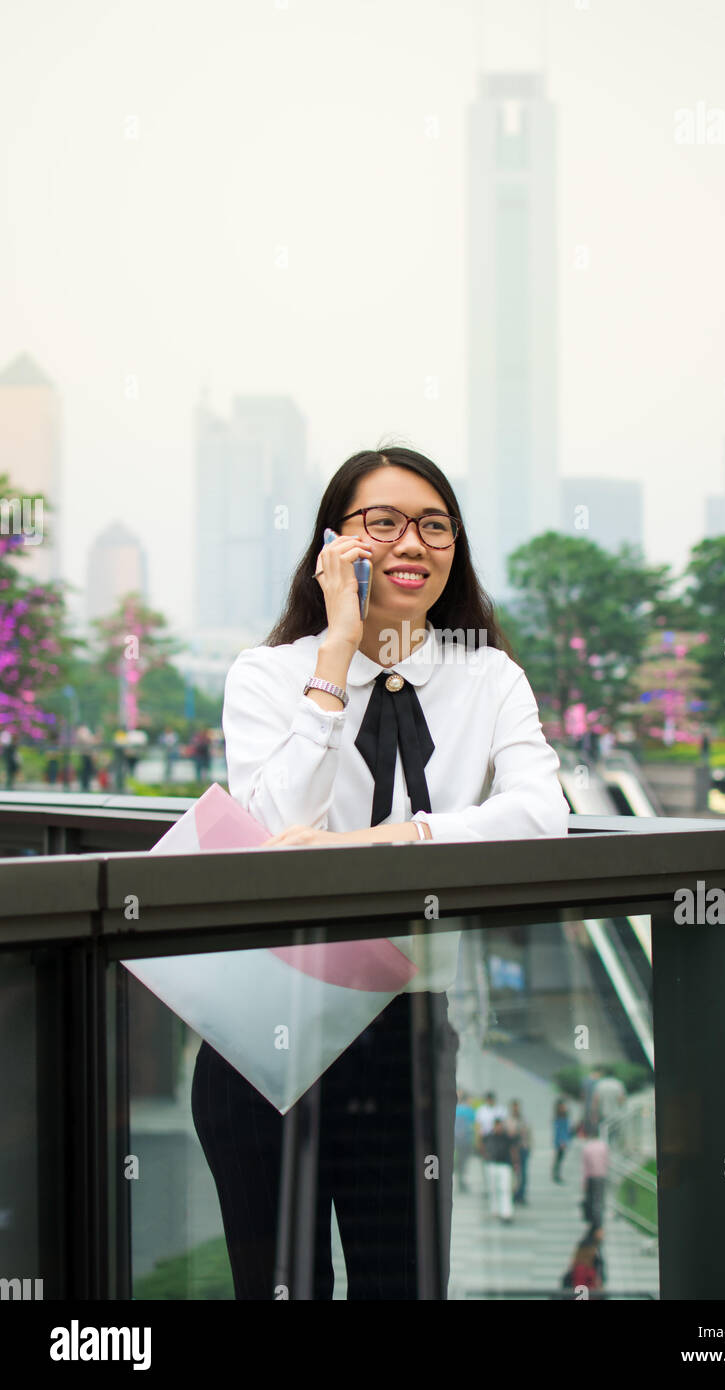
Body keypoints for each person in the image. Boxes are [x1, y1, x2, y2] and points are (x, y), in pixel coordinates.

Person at [190, 445, 570, 1300]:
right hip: (266, 1023)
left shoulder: (488, 676)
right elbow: (271, 829)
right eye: (384, 521)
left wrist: (384, 842)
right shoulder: (266, 675)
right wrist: (338, 653)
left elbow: (543, 813)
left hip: (404, 1026)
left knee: (403, 1285)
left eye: (435, 524)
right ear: (335, 546)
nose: (413, 541)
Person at [484, 1117, 516, 1223]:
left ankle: (506, 1212)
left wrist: (515, 1164)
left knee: (504, 1189)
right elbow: (483, 1147)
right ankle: (495, 1210)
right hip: (492, 1165)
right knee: (493, 1189)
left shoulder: (507, 1137)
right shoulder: (489, 1137)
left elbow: (513, 1150)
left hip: (504, 1165)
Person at [580, 1132, 609, 1226]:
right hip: (601, 1175)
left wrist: (584, 1182)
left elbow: (585, 1167)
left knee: (591, 1199)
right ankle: (599, 1220)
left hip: (591, 1176)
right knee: (599, 1199)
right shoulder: (603, 1146)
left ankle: (593, 1220)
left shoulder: (587, 1147)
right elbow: (607, 1161)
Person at [507, 1098, 532, 1205]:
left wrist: (529, 1147)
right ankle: (514, 1193)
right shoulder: (508, 1120)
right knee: (513, 1173)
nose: (516, 1109)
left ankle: (521, 1194)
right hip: (512, 1150)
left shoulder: (524, 1120)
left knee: (523, 1173)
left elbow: (529, 1134)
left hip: (523, 1148)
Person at [454, 1090, 477, 1194]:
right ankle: (462, 1182)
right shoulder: (469, 1110)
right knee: (464, 1162)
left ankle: (459, 1180)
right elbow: (474, 1125)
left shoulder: (455, 1109)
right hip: (466, 1140)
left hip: (456, 1140)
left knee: (459, 1161)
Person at [553, 1098, 571, 1182]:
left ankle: (557, 1174)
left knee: (559, 1159)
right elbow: (560, 1130)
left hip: (563, 1139)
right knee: (559, 1159)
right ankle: (556, 1175)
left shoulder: (564, 1115)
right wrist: (562, 1141)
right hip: (561, 1141)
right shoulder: (560, 1117)